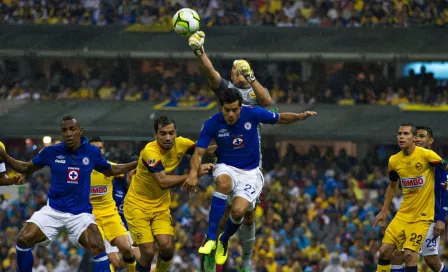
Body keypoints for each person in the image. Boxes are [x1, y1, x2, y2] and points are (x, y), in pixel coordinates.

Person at [183, 88, 317, 266]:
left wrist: (300, 117)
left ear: (241, 107)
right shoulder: (212, 123)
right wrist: (193, 174)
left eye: (235, 110)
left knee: (238, 212)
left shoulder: (253, 114)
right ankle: (211, 238)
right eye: (227, 110)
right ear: (220, 108)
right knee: (222, 183)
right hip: (226, 166)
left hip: (250, 173)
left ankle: (224, 240)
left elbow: (281, 118)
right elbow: (198, 153)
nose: (231, 114)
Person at [0, 115, 137, 272]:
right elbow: (25, 168)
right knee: (23, 239)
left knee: (98, 246)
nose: (68, 133)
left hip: (80, 214)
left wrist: (136, 163)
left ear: (80, 131)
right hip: (53, 210)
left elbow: (111, 169)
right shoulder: (51, 151)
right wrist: (4, 156)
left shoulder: (91, 152)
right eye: (64, 130)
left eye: (72, 129)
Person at [189, 30, 272, 272]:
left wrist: (252, 77)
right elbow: (212, 75)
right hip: (229, 158)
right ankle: (213, 245)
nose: (241, 74)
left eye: (244, 70)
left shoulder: (254, 92)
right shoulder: (226, 92)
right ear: (232, 76)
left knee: (247, 213)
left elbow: (268, 102)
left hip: (251, 160)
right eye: (238, 71)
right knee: (227, 208)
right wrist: (200, 53)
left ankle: (246, 260)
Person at [124, 116, 214, 272]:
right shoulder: (149, 152)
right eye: (163, 133)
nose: (168, 137)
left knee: (167, 247)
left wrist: (228, 147)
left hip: (160, 205)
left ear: (175, 132)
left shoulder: (182, 143)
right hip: (137, 205)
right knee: (148, 251)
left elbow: (203, 151)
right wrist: (194, 174)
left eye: (171, 133)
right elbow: (163, 181)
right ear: (155, 135)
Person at [374, 123, 448, 272]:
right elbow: (393, 186)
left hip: (424, 217)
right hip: (403, 215)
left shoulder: (427, 155)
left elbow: (445, 167)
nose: (401, 137)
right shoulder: (394, 161)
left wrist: (442, 217)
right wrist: (384, 210)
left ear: (413, 138)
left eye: (406, 134)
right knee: (386, 251)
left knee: (417, 257)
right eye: (399, 133)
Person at [89, 137, 136, 271]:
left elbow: (127, 178)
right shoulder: (81, 169)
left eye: (100, 148)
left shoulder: (111, 167)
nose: (97, 151)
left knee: (126, 248)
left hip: (110, 214)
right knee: (108, 256)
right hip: (91, 218)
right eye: (93, 148)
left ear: (103, 150)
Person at [105, 169, 141, 263]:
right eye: (134, 171)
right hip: (110, 226)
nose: (136, 174)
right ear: (128, 171)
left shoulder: (141, 189)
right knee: (115, 261)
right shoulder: (116, 181)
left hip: (128, 228)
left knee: (140, 259)